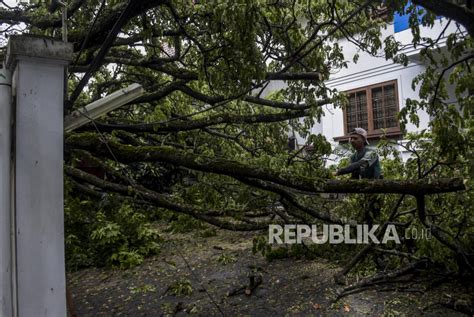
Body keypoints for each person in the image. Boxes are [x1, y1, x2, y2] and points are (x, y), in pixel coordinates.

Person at [333, 128, 382, 225]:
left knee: (375, 216)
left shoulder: (372, 152)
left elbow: (361, 164)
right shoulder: (353, 157)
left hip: (377, 187)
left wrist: (339, 172)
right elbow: (354, 175)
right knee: (365, 216)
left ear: (363, 140)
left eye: (355, 138)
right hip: (365, 189)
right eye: (351, 138)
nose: (352, 140)